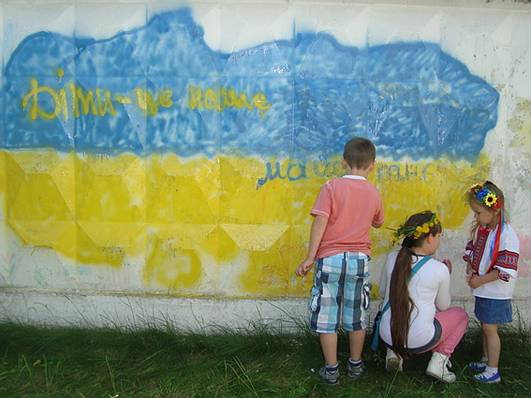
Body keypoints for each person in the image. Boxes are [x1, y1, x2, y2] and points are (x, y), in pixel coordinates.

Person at [295, 137, 384, 385]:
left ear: (344, 162)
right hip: (359, 260)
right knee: (356, 314)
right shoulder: (374, 192)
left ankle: (331, 369)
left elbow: (320, 221)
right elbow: (378, 221)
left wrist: (310, 257)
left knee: (327, 315)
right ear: (372, 165)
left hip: (330, 259)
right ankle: (355, 365)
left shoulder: (331, 187)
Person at [378, 211, 468, 383]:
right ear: (429, 238)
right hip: (420, 341)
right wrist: (446, 276)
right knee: (460, 316)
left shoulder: (392, 258)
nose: (439, 241)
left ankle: (394, 354)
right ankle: (439, 362)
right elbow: (443, 306)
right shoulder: (438, 268)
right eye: (439, 236)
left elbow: (384, 291)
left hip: (387, 335)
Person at [464, 181, 519, 383]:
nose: (476, 217)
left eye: (478, 213)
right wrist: (470, 268)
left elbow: (504, 269)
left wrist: (480, 281)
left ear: (494, 209)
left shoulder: (507, 235)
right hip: (484, 289)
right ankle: (486, 359)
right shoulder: (485, 230)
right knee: (485, 326)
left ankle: (493, 370)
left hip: (495, 291)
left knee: (490, 329)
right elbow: (475, 252)